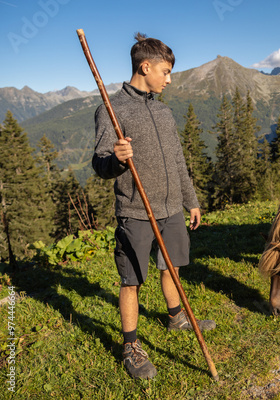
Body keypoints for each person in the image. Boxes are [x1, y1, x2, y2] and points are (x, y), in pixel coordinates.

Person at [92, 32, 215, 380]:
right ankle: (130, 346)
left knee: (171, 266)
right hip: (135, 211)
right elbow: (100, 164)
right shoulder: (111, 109)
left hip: (171, 208)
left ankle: (176, 317)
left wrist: (189, 201)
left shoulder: (163, 111)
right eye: (166, 71)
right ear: (145, 67)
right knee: (131, 280)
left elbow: (177, 161)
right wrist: (115, 160)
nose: (169, 79)